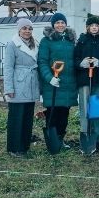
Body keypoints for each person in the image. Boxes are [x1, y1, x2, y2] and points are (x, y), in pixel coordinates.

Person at [38, 12, 78, 148]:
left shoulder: (70, 40)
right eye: (57, 23)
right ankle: (52, 140)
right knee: (53, 114)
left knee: (64, 114)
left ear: (66, 24)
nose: (60, 25)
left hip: (68, 84)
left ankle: (60, 139)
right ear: (53, 25)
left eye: (62, 23)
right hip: (53, 85)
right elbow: (42, 61)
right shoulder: (46, 41)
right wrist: (49, 78)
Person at [3, 18, 40, 157]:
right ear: (19, 30)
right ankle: (14, 148)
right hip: (18, 84)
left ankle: (24, 146)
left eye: (30, 29)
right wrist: (9, 89)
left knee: (27, 117)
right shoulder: (12, 45)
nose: (27, 31)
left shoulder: (35, 44)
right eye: (24, 28)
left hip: (31, 84)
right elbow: (8, 68)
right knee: (16, 117)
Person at [74, 15, 99, 154]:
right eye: (92, 25)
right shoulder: (82, 41)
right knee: (85, 109)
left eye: (96, 25)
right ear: (88, 27)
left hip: (98, 79)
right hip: (85, 80)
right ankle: (85, 135)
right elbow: (74, 59)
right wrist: (81, 63)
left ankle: (97, 137)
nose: (94, 27)